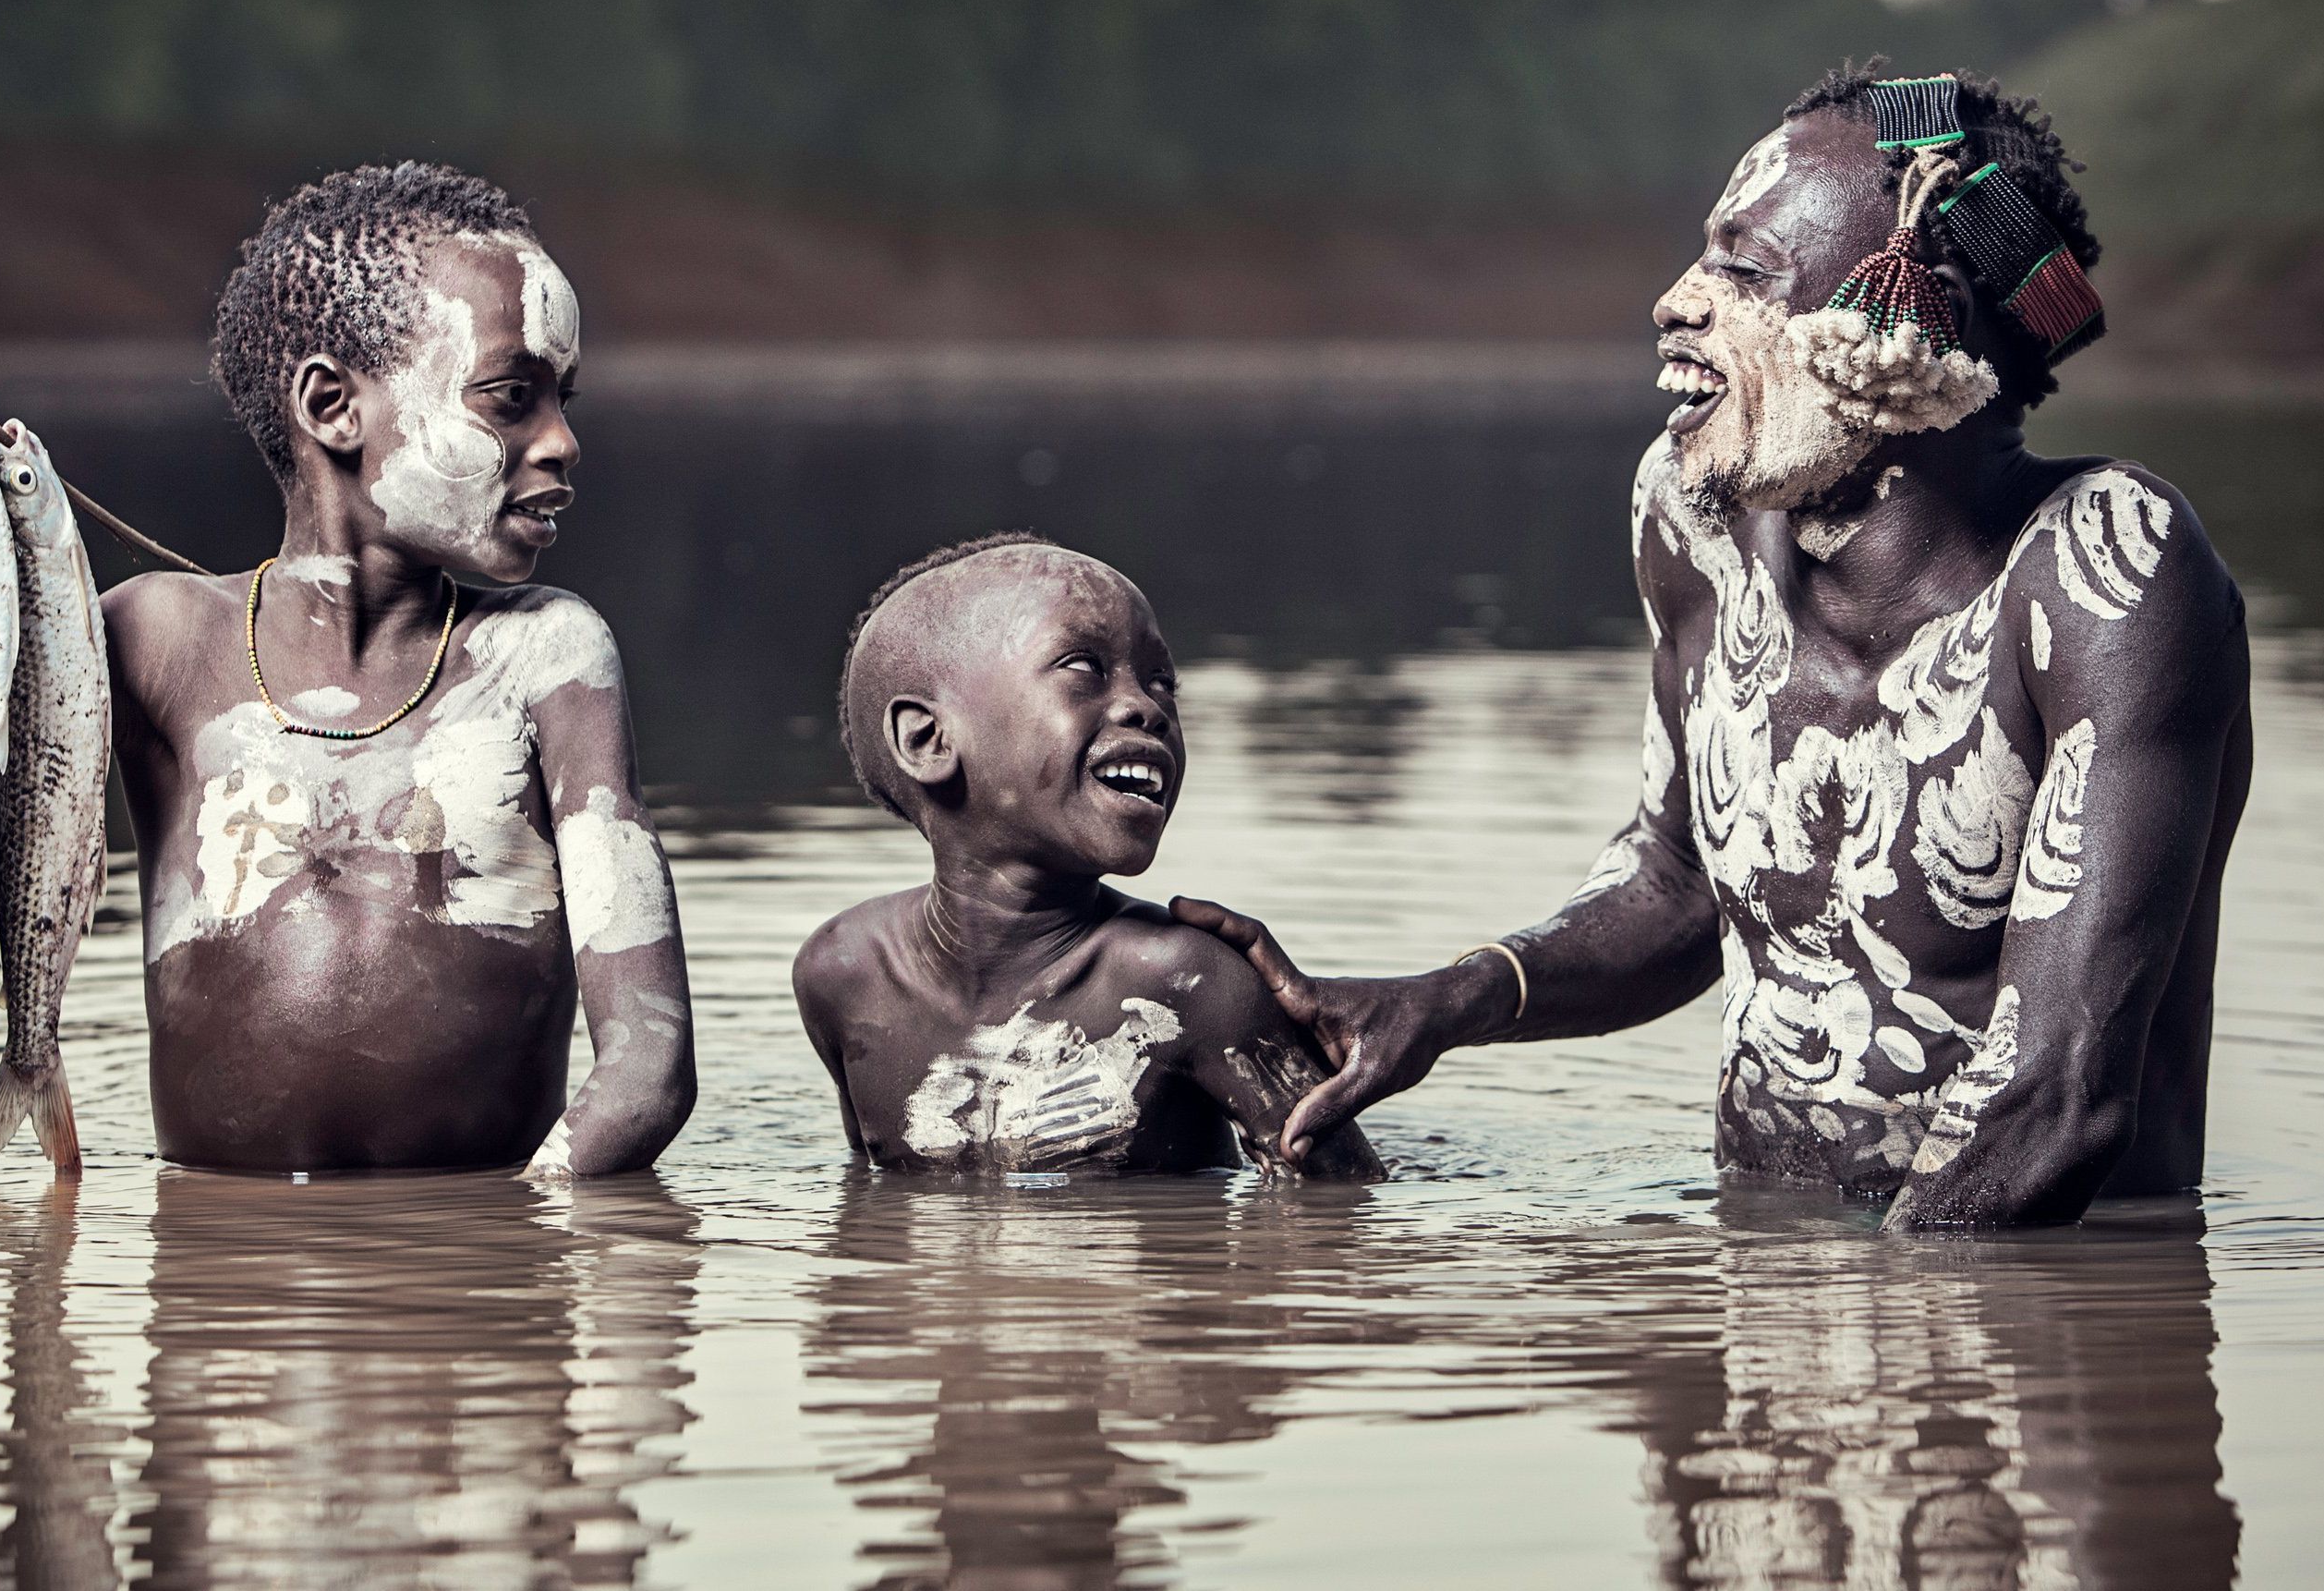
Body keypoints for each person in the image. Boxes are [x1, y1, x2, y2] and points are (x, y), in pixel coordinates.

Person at [1180, 66, 2252, 1229]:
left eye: (1743, 269)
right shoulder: (1696, 523)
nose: (1676, 300)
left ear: (1907, 300)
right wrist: (1447, 1001)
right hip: (1761, 1283)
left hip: (2022, 1314)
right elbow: (1679, 881)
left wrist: (1868, 1318)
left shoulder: (2106, 572)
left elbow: (2057, 1103)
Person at [0, 161, 695, 1175]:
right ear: (332, 406)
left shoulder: (546, 657)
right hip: (217, 1319)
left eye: (564, 399)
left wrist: (497, 1246)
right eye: (512, 398)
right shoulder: (155, 641)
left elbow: (647, 1065)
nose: (562, 441)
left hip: (482, 1304)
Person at [796, 532, 1383, 1178]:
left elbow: (1342, 1208)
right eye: (1084, 666)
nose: (1147, 707)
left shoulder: (1186, 981)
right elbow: (868, 1197)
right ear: (928, 738)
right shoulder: (843, 975)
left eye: (1161, 680)